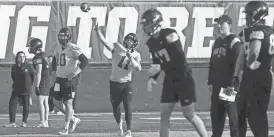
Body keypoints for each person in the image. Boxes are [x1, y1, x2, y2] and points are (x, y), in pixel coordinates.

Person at [141, 8, 208, 137]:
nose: (144, 27)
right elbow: (157, 61)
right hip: (169, 79)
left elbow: (178, 58)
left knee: (189, 115)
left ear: (155, 23)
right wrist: (152, 78)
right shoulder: (151, 42)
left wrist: (160, 67)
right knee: (164, 115)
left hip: (183, 77)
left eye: (146, 23)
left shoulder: (169, 34)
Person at [233, 1, 274, 137]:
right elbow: (243, 54)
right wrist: (237, 74)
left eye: (250, 14)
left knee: (254, 115)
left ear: (257, 14)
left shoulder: (257, 31)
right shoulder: (267, 31)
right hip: (259, 74)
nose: (248, 17)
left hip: (256, 75)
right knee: (244, 112)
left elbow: (254, 52)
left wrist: (248, 65)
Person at [94, 23, 142, 137]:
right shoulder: (117, 47)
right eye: (128, 40)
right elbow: (104, 42)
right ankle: (119, 125)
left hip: (126, 84)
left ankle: (129, 131)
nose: (129, 42)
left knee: (128, 106)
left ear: (134, 44)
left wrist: (131, 58)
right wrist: (97, 31)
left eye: (131, 41)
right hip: (114, 83)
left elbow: (139, 68)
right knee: (115, 106)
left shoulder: (136, 55)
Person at [208, 14, 241, 137]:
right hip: (217, 85)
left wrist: (232, 84)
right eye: (218, 23)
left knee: (232, 117)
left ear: (229, 25)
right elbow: (212, 63)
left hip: (228, 86)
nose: (219, 26)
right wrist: (210, 81)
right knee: (216, 116)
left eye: (222, 23)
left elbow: (238, 64)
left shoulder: (234, 41)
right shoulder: (216, 42)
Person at [51, 27, 88, 135]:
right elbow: (54, 60)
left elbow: (85, 60)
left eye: (63, 36)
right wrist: (54, 73)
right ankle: (73, 119)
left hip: (69, 79)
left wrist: (74, 73)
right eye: (60, 36)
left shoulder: (72, 47)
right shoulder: (58, 47)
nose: (61, 38)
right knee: (56, 102)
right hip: (59, 78)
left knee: (68, 102)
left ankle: (66, 128)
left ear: (68, 37)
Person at [5, 51, 35, 128]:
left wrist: (28, 86)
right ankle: (12, 122)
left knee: (26, 107)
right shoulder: (14, 67)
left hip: (26, 90)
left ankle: (24, 122)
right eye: (20, 57)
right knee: (12, 105)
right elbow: (13, 77)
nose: (22, 58)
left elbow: (32, 77)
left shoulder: (29, 66)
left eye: (23, 56)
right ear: (17, 58)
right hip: (16, 89)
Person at [28, 38, 51, 128]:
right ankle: (46, 121)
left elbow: (39, 72)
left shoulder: (37, 58)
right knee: (45, 102)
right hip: (48, 79)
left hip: (43, 80)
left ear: (35, 47)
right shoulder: (44, 54)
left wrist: (37, 86)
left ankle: (42, 121)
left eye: (31, 46)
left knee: (40, 101)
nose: (30, 48)